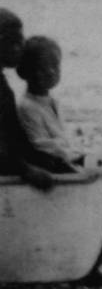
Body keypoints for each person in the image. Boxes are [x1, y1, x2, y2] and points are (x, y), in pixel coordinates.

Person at [0, 10, 68, 189]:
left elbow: (17, 140)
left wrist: (46, 161)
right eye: (12, 42)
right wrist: (26, 170)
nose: (20, 48)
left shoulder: (4, 88)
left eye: (20, 40)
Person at [16, 35, 82, 172]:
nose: (51, 72)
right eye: (42, 67)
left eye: (55, 65)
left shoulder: (53, 103)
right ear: (25, 71)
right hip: (53, 167)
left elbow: (62, 139)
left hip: (67, 160)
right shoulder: (27, 107)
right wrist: (75, 158)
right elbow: (41, 145)